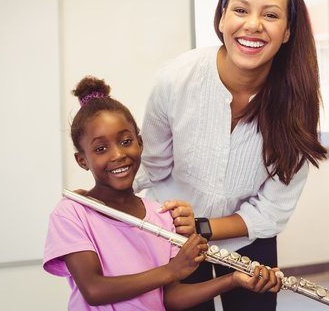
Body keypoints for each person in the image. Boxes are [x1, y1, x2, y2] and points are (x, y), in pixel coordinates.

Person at [134, 0, 328, 310]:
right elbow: (152, 168)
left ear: (287, 32)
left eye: (270, 15)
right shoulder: (175, 80)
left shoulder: (298, 109)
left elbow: (272, 211)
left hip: (247, 239)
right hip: (173, 235)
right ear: (222, 18)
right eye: (240, 10)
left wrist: (204, 226)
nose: (253, 25)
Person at [43, 76, 282, 311]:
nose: (117, 154)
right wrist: (171, 270)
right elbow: (94, 290)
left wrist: (233, 280)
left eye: (125, 141)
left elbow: (170, 298)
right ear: (82, 160)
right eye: (101, 148)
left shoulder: (162, 216)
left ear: (140, 143)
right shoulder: (71, 213)